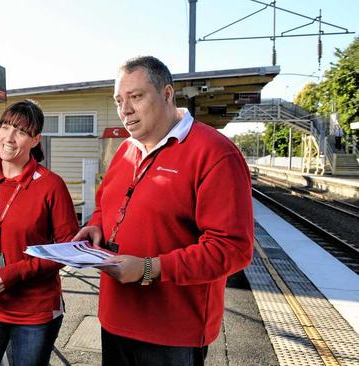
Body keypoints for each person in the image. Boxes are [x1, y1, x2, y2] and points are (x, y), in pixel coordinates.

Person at [72, 56, 254, 366]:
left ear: (167, 94)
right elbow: (105, 204)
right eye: (119, 100)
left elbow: (233, 248)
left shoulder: (215, 153)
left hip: (172, 334)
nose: (125, 110)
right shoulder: (126, 150)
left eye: (136, 96)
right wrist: (96, 225)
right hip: (114, 320)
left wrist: (149, 268)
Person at [0, 100, 79, 366]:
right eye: (5, 127)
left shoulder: (51, 185)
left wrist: (12, 274)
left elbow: (68, 248)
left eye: (21, 131)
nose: (9, 138)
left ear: (35, 140)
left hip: (35, 312)